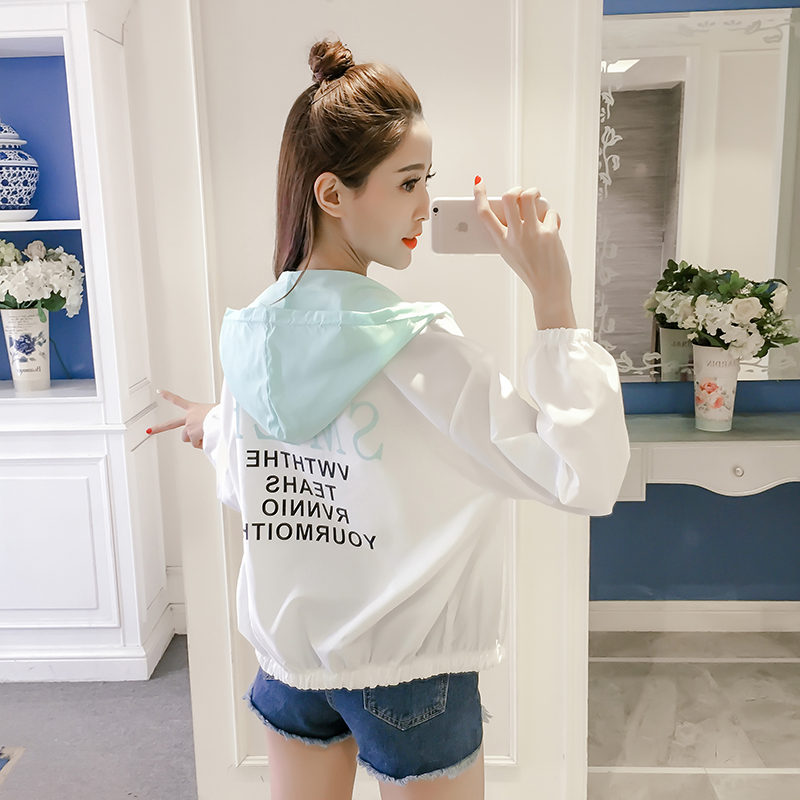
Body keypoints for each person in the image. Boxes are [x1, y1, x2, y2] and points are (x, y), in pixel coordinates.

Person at [148, 39, 629, 800]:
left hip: (291, 666)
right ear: (332, 194)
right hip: (411, 677)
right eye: (407, 182)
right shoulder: (421, 354)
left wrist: (216, 425)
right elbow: (583, 474)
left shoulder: (253, 334)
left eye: (428, 181)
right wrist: (554, 302)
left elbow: (257, 481)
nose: (424, 207)